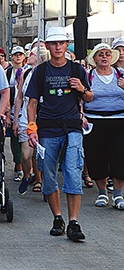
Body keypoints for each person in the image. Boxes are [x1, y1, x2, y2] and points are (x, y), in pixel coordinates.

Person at [25, 27, 93, 242]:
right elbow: (32, 102)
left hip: (72, 127)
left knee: (73, 172)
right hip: (47, 129)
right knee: (48, 174)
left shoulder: (76, 69)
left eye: (61, 43)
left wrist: (82, 88)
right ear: (46, 46)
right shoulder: (41, 71)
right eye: (53, 44)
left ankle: (73, 222)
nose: (57, 47)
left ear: (66, 45)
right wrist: (31, 127)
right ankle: (57, 218)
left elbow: (90, 97)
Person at [82, 43, 124, 209]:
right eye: (101, 54)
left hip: (119, 119)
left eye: (107, 54)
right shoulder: (88, 76)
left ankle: (119, 195)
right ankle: (102, 192)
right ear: (95, 59)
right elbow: (80, 98)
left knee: (119, 156)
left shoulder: (121, 74)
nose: (104, 57)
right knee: (96, 156)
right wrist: (81, 115)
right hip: (94, 120)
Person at [13, 47, 49, 195]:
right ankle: (28, 175)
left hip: (43, 116)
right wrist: (15, 119)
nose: (29, 56)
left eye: (32, 54)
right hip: (26, 116)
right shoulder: (26, 72)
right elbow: (19, 97)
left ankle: (44, 182)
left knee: (41, 154)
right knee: (26, 155)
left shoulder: (47, 73)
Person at [6, 46, 28, 182]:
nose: (18, 57)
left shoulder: (28, 71)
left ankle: (28, 170)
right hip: (14, 113)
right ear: (12, 57)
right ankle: (19, 168)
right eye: (16, 55)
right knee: (15, 144)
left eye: (20, 54)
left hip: (25, 115)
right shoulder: (7, 72)